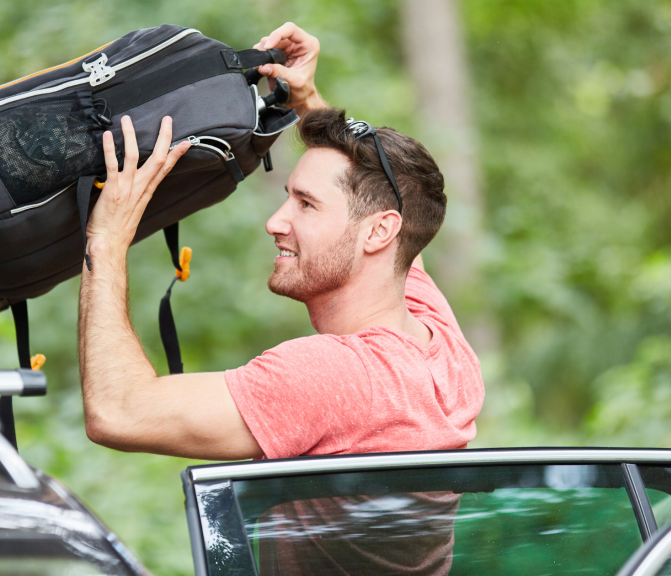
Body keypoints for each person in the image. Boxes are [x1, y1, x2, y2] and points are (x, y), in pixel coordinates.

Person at [77, 22, 483, 461]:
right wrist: (307, 100)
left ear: (379, 232)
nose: (275, 222)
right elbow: (385, 211)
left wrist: (108, 238)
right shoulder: (443, 352)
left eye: (306, 204)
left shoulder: (336, 377)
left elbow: (119, 412)